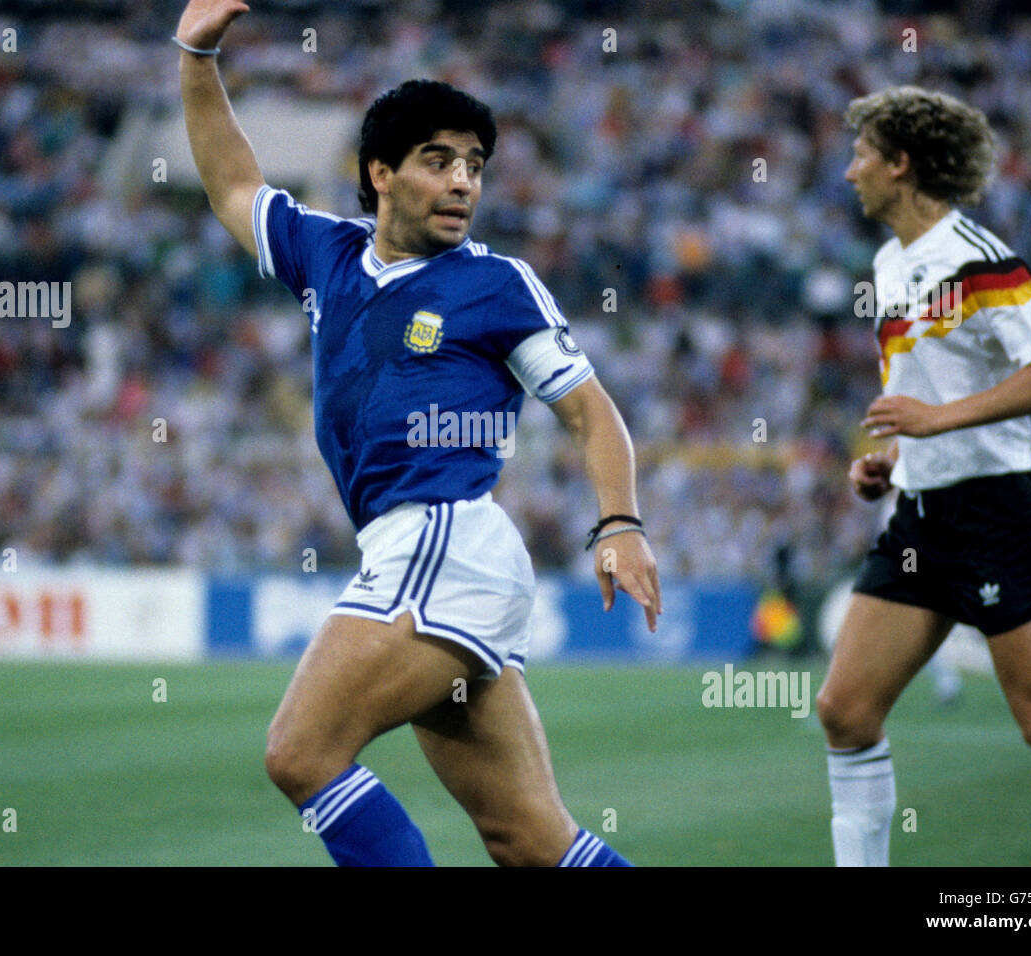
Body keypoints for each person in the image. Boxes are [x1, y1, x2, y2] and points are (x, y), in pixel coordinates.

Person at [175, 0, 661, 867]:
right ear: (381, 173)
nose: (464, 182)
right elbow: (231, 184)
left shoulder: (496, 285)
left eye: (474, 165)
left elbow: (592, 413)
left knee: (301, 752)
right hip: (424, 557)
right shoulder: (325, 254)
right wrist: (196, 55)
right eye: (438, 162)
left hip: (444, 538)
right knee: (531, 843)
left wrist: (619, 522)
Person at [817, 85, 1031, 866]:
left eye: (862, 155)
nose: (850, 173)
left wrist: (934, 423)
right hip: (921, 514)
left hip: (996, 513)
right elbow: (925, 394)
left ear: (901, 163)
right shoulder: (887, 264)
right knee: (844, 710)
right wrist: (893, 460)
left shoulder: (978, 259)